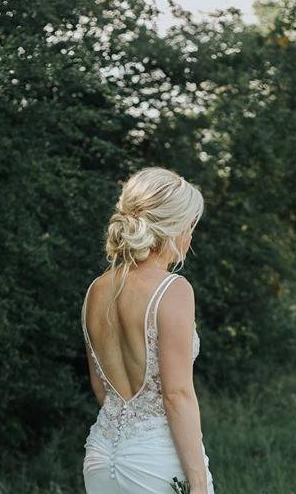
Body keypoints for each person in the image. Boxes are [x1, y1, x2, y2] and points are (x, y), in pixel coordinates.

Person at [81, 166, 214, 493]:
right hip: (157, 462)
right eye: (189, 225)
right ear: (171, 227)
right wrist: (197, 481)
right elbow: (176, 394)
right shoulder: (173, 290)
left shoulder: (96, 290)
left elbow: (101, 387)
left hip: (101, 456)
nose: (190, 235)